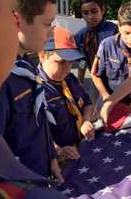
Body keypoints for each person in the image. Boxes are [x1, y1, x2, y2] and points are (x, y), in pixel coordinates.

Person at [0, 0, 65, 198]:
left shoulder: (26, 68)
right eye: (13, 15)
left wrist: (50, 156)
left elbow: (36, 122)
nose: (52, 32)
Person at [38, 26, 94, 160]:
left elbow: (86, 102)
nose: (67, 69)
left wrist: (86, 121)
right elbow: (33, 132)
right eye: (61, 62)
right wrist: (57, 150)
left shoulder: (69, 79)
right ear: (42, 56)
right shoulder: (35, 90)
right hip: (54, 157)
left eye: (70, 63)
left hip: (79, 147)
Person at [91, 0, 131, 113]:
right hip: (107, 101)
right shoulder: (106, 45)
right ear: (119, 26)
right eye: (126, 33)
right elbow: (95, 74)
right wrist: (105, 96)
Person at [74, 0, 118, 84]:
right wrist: (80, 83)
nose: (90, 17)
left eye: (94, 12)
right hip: (97, 82)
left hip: (118, 81)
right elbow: (82, 61)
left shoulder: (115, 31)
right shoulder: (81, 35)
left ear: (103, 10)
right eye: (85, 13)